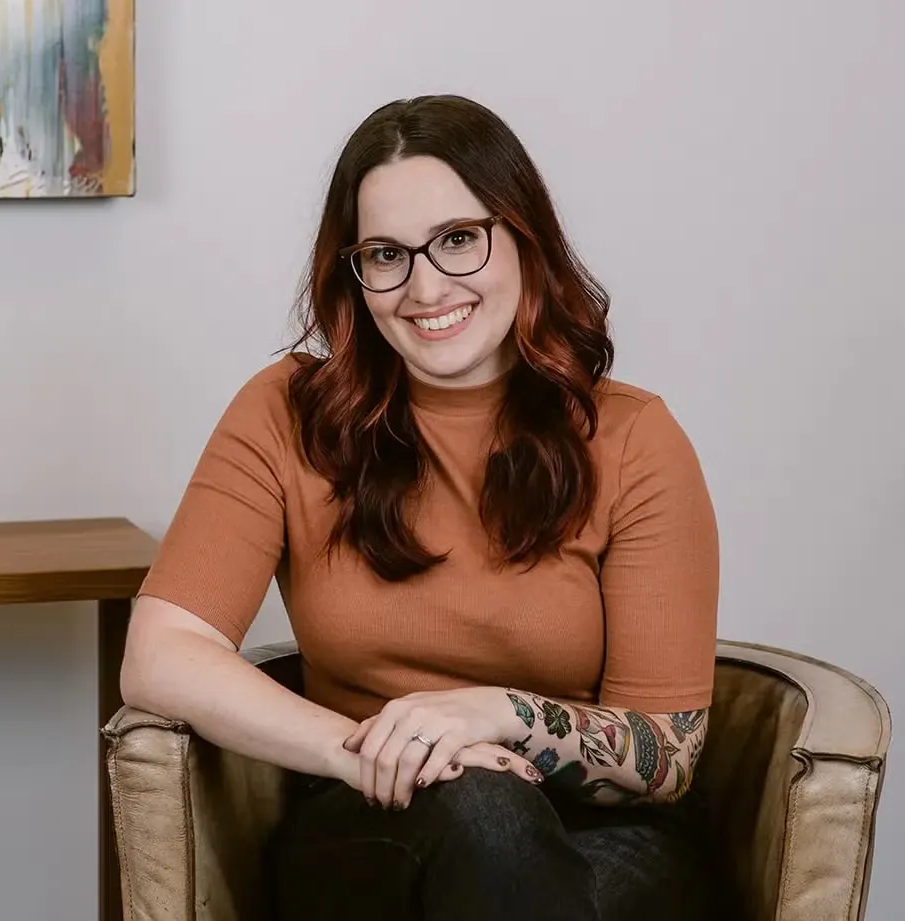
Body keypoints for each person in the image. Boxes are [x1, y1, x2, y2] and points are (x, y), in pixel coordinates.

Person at [120, 94, 724, 921]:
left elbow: (669, 753)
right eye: (385, 254)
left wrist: (499, 715)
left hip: (598, 837)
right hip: (374, 821)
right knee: (481, 809)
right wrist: (373, 749)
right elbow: (161, 654)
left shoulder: (632, 438)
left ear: (522, 238)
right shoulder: (287, 413)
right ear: (353, 272)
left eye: (457, 240)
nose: (424, 286)